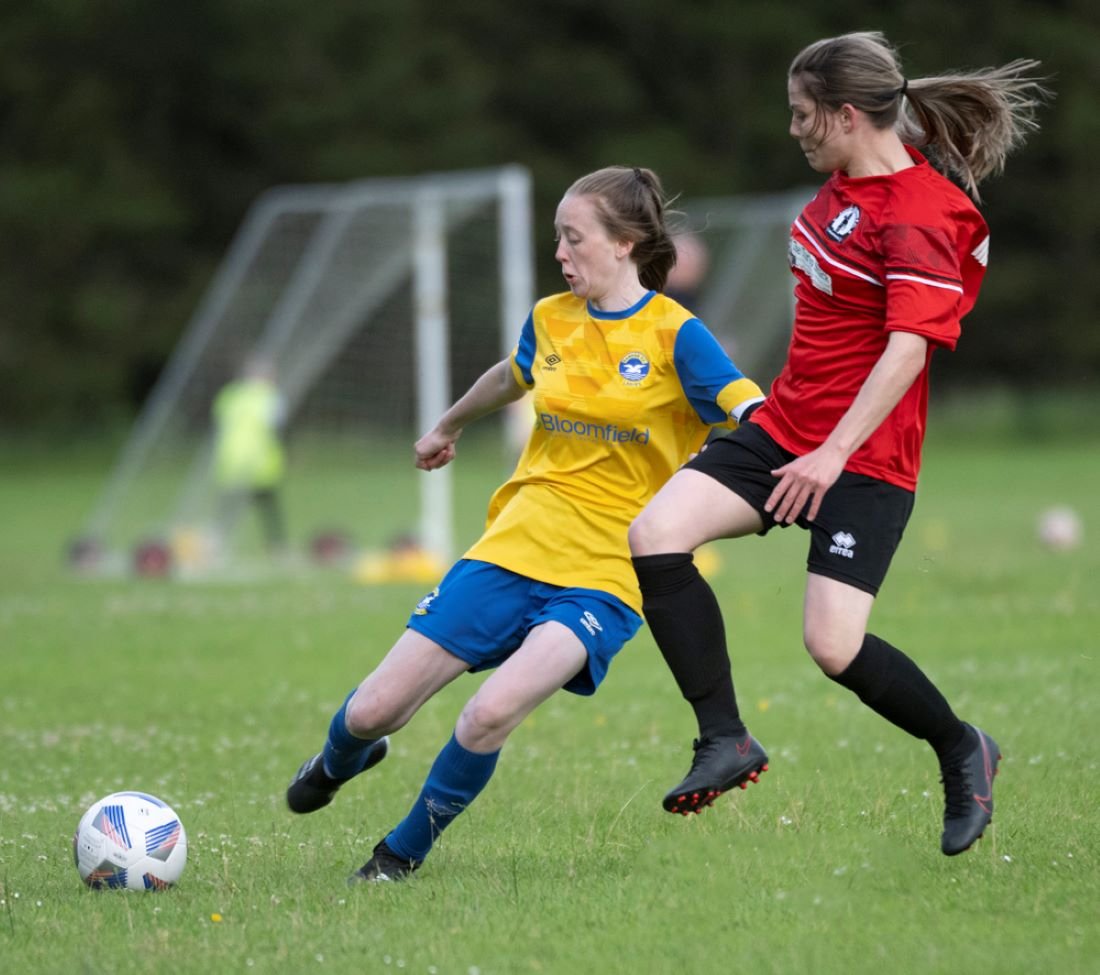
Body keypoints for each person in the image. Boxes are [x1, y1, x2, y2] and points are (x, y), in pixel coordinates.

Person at [629, 32, 1049, 856]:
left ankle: (963, 746)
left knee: (832, 645)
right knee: (655, 534)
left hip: (865, 460)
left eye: (802, 114)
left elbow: (907, 349)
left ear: (847, 114)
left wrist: (831, 456)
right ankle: (725, 738)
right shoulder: (839, 188)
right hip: (782, 429)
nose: (794, 129)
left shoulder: (926, 214)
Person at [285, 165, 765, 882]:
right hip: (515, 545)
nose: (561, 253)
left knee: (489, 712)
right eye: (557, 238)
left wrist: (795, 464)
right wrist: (446, 425)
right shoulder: (550, 318)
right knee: (375, 710)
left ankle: (399, 853)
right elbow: (513, 374)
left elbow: (751, 410)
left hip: (606, 575)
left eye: (573, 238)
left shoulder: (677, 334)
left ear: (625, 243)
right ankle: (335, 760)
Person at [211, 356, 288, 553]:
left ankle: (217, 544)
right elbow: (277, 427)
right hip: (260, 462)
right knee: (268, 507)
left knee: (227, 507)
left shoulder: (230, 395)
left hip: (231, 459)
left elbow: (219, 421)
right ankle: (277, 547)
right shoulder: (270, 397)